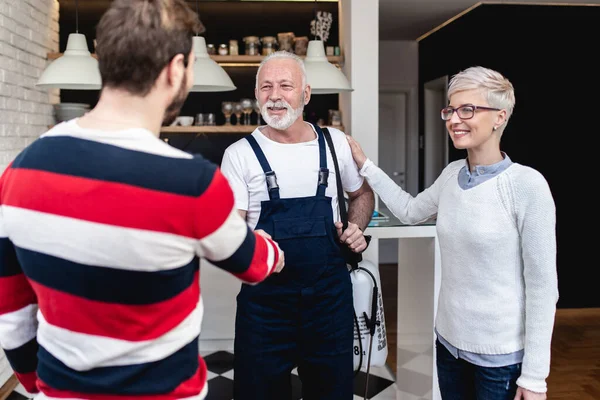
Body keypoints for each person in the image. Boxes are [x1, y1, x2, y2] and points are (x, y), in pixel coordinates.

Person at [0, 1, 284, 399]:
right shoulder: (193, 182)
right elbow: (253, 264)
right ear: (175, 69)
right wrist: (274, 250)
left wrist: (40, 388)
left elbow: (12, 318)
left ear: (106, 62)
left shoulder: (17, 174)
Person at [346, 66, 558, 400]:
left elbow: (543, 288)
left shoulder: (527, 185)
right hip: (448, 345)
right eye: (451, 109)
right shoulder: (451, 174)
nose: (454, 119)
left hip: (498, 358)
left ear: (500, 117)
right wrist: (365, 165)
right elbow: (410, 211)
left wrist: (534, 378)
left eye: (468, 109)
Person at [220, 51, 374, 400]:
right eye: (266, 87)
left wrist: (356, 227)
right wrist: (244, 243)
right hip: (265, 307)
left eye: (285, 86)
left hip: (329, 304)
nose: (275, 95)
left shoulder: (335, 144)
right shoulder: (239, 154)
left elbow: (363, 194)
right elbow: (231, 233)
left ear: (305, 94)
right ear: (257, 94)